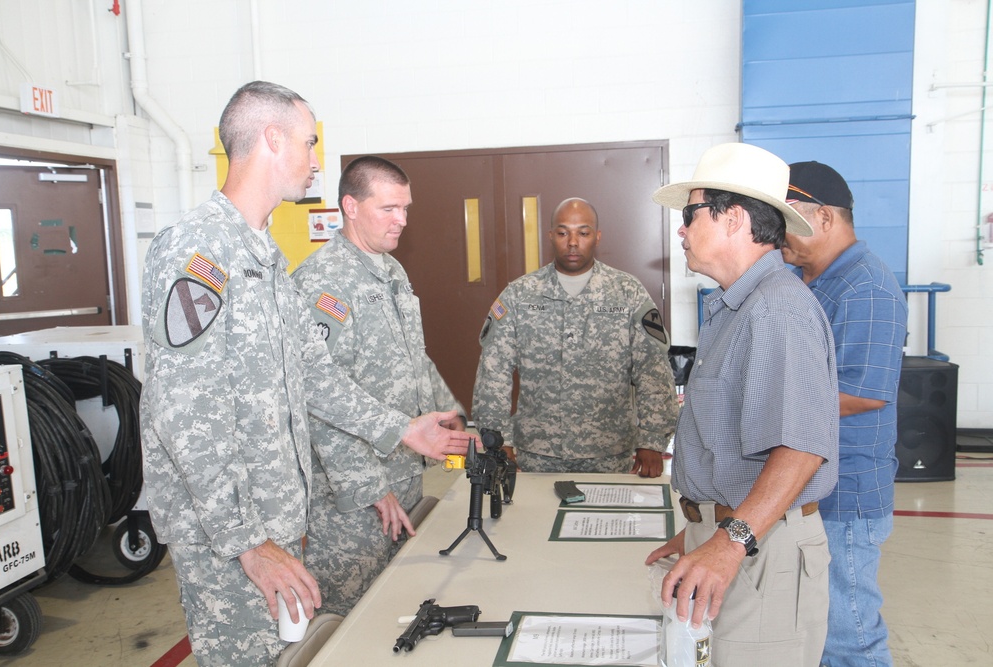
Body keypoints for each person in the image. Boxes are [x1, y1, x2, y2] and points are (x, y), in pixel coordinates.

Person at [139, 81, 469, 666]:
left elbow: (315, 376)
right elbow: (182, 416)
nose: (317, 161)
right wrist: (247, 542)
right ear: (271, 139)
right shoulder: (199, 252)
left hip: (274, 520)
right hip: (228, 537)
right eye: (309, 143)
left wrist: (402, 430)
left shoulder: (265, 257)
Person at [645, 142, 840, 666]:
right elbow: (731, 446)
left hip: (759, 552)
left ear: (733, 219)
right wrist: (701, 528)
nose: (681, 230)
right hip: (740, 533)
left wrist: (728, 542)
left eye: (690, 215)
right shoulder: (736, 308)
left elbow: (801, 450)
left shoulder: (778, 309)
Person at [291, 156, 467, 615]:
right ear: (351, 206)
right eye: (389, 208)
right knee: (353, 613)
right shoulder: (322, 283)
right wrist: (370, 487)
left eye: (406, 209)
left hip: (403, 468)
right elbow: (319, 397)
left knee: (397, 606)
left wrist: (451, 416)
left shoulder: (390, 271)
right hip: (353, 498)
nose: (402, 220)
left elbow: (414, 359)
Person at [783, 161, 907, 667]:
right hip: (810, 481)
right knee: (815, 625)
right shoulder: (806, 279)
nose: (777, 234)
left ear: (826, 218)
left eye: (787, 219)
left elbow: (863, 392)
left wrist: (767, 404)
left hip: (847, 492)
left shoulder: (865, 287)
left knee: (849, 632)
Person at [471, 197, 678, 475]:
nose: (572, 242)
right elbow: (493, 372)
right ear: (550, 236)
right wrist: (498, 441)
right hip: (537, 453)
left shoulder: (627, 292)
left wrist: (652, 440)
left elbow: (652, 370)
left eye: (583, 232)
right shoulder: (520, 294)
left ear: (597, 237)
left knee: (605, 519)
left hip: (610, 452)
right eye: (562, 232)